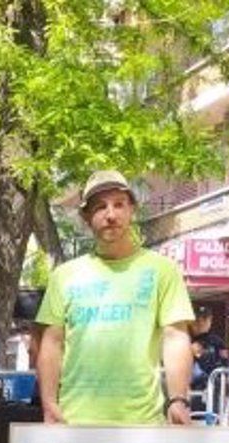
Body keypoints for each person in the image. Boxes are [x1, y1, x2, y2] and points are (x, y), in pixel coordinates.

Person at [37, 170, 194, 425]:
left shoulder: (162, 270)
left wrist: (178, 400)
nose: (111, 215)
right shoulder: (64, 276)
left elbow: (175, 336)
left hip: (142, 425)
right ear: (87, 217)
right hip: (74, 422)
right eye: (100, 207)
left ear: (132, 209)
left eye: (119, 204)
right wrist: (49, 403)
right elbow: (52, 342)